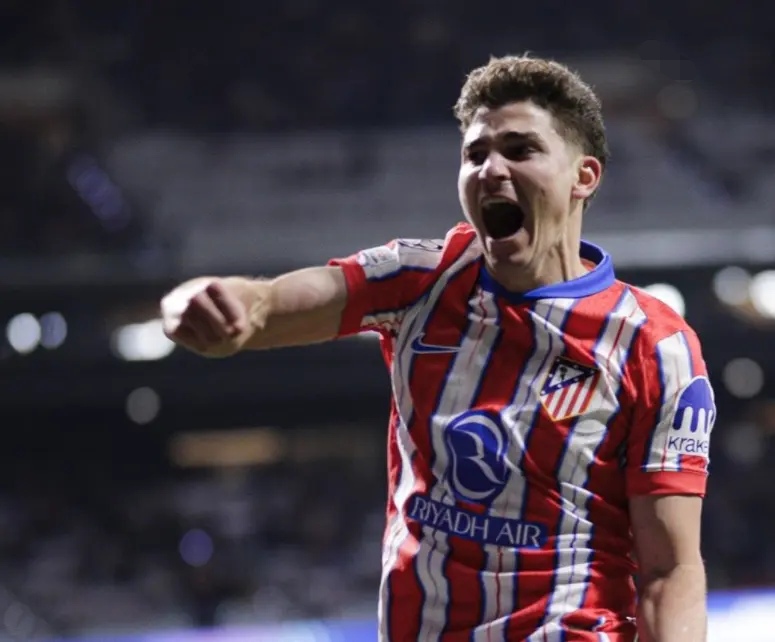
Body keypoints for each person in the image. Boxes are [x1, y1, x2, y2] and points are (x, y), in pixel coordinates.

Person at [161, 55, 714, 642]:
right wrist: (201, 302)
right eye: (475, 154)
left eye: (520, 150)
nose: (491, 169)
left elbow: (669, 569)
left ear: (584, 176)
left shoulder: (654, 346)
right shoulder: (421, 279)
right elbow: (269, 303)